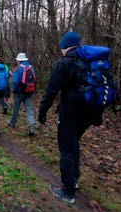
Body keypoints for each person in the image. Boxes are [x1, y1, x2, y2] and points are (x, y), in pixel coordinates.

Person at [38, 32, 103, 203]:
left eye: (61, 47)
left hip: (70, 113)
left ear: (65, 46)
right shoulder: (89, 61)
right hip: (89, 114)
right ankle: (74, 179)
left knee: (66, 149)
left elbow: (51, 91)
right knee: (73, 143)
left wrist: (42, 112)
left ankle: (68, 191)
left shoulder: (64, 63)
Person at [7, 53, 36, 136]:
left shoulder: (18, 69)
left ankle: (12, 123)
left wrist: (13, 90)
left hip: (19, 93)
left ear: (19, 61)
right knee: (29, 110)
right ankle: (31, 127)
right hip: (29, 92)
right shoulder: (31, 68)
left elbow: (15, 82)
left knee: (15, 109)